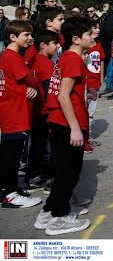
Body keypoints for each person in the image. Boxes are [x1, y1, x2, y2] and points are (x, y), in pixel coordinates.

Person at [34, 16, 95, 235]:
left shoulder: (71, 58)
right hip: (68, 123)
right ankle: (58, 217)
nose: (93, 35)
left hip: (62, 122)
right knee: (69, 171)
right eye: (89, 33)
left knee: (64, 170)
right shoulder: (72, 59)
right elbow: (63, 96)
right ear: (77, 39)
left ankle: (49, 211)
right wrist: (76, 128)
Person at [1, 20, 42, 208]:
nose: (30, 38)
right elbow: (31, 79)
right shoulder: (12, 56)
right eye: (26, 35)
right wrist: (30, 85)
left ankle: (10, 189)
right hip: (15, 113)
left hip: (12, 111)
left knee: (11, 154)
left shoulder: (7, 55)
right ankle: (10, 194)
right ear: (12, 37)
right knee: (12, 155)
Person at [26, 29, 59, 190]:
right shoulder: (46, 64)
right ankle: (47, 177)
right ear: (43, 45)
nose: (57, 46)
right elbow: (48, 89)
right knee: (49, 146)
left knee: (37, 145)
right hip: (45, 111)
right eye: (54, 44)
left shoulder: (33, 60)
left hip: (35, 110)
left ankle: (33, 176)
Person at [83, 22, 104, 152]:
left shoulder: (99, 46)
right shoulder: (85, 48)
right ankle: (83, 139)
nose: (98, 30)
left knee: (91, 112)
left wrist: (102, 78)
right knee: (83, 112)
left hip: (95, 83)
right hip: (87, 84)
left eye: (98, 28)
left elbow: (101, 61)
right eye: (95, 28)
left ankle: (87, 137)